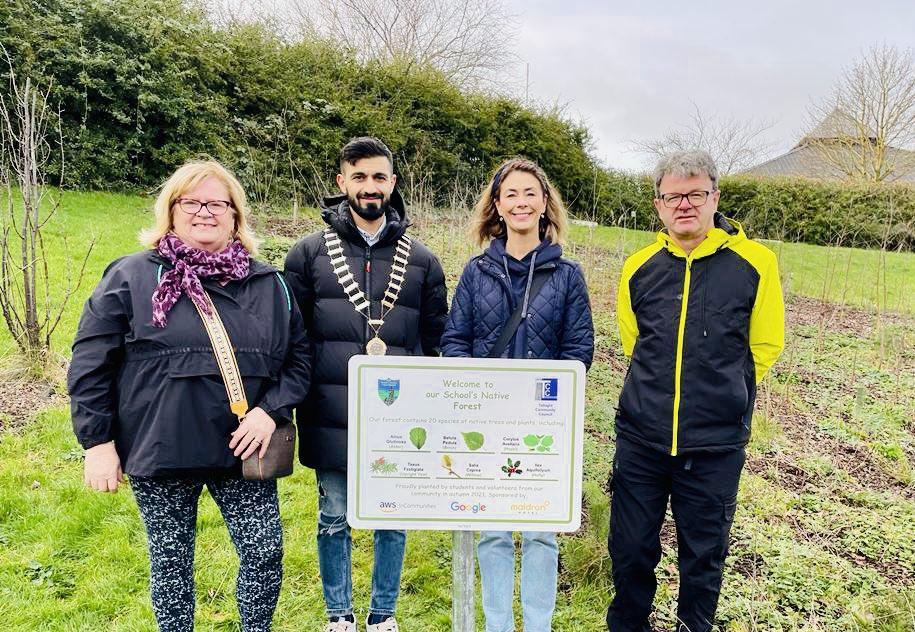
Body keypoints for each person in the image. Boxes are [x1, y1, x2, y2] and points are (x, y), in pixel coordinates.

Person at [68, 160, 310, 632]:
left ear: (235, 215)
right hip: (160, 446)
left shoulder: (269, 284)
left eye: (218, 203)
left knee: (264, 552)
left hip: (245, 449)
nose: (205, 212)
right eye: (192, 202)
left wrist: (269, 412)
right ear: (171, 211)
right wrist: (97, 443)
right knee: (172, 564)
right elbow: (91, 363)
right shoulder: (132, 277)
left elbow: (298, 360)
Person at [607, 150, 785, 632]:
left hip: (714, 444)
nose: (685, 204)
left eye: (696, 194)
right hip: (642, 439)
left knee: (704, 555)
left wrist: (726, 394)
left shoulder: (756, 263)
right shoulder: (637, 267)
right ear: (659, 205)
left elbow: (765, 343)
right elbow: (633, 341)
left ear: (715, 198)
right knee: (630, 550)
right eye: (673, 196)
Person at [283, 137, 448, 632]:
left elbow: (436, 340)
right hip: (330, 408)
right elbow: (295, 339)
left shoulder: (421, 260)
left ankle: (382, 614)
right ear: (342, 183)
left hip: (399, 414)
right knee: (333, 516)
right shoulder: (309, 253)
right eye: (359, 177)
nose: (369, 187)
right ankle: (339, 615)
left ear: (393, 183)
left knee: (391, 519)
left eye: (379, 177)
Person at [440, 158, 594, 632]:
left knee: (541, 532)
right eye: (511, 194)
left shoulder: (567, 276)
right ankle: (498, 624)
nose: (521, 202)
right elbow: (454, 342)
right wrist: (482, 393)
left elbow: (579, 350)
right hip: (485, 428)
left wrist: (540, 397)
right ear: (498, 206)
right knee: (492, 532)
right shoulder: (476, 272)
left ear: (545, 204)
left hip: (543, 428)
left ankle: (540, 624)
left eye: (530, 193)